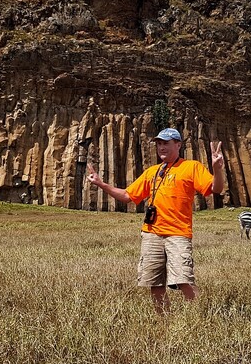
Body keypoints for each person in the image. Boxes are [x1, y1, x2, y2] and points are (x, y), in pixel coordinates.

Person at [86, 127, 224, 314]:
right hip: (151, 234)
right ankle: (164, 320)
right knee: (155, 282)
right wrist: (101, 184)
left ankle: (201, 317)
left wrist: (217, 169)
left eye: (166, 143)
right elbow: (127, 196)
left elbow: (215, 188)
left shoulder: (191, 167)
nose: (161, 147)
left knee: (183, 279)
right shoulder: (152, 172)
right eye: (159, 144)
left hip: (178, 234)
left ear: (178, 145)